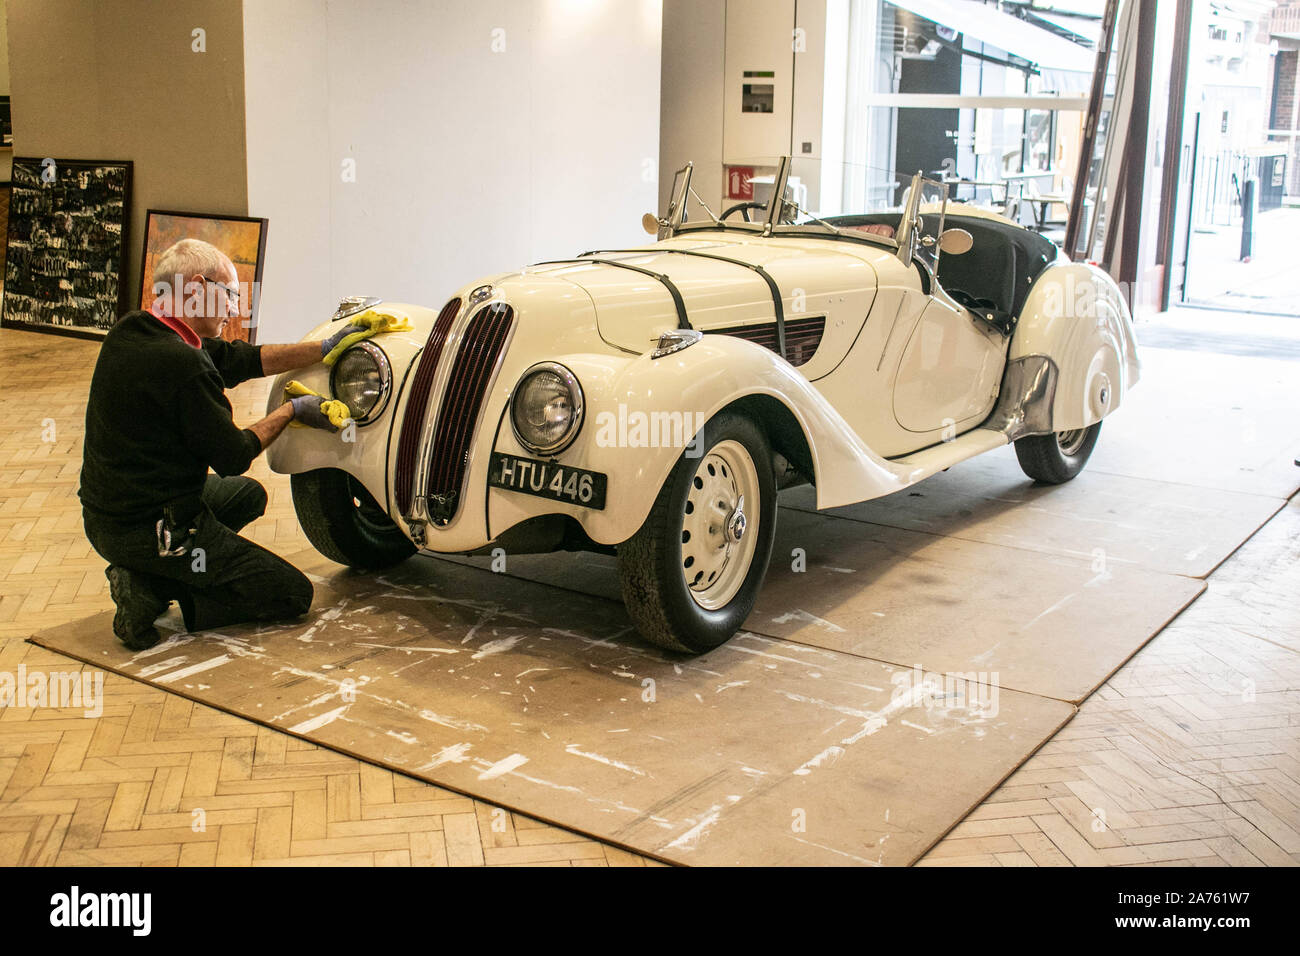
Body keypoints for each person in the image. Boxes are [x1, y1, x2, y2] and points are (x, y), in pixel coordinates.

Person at [79, 238, 373, 650]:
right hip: (160, 527)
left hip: (107, 519)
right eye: (231, 294)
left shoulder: (134, 331)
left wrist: (326, 348)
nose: (235, 308)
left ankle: (147, 573)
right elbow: (233, 456)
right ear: (197, 288)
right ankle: (152, 586)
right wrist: (292, 412)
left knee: (247, 497)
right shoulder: (182, 364)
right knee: (291, 594)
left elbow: (241, 359)